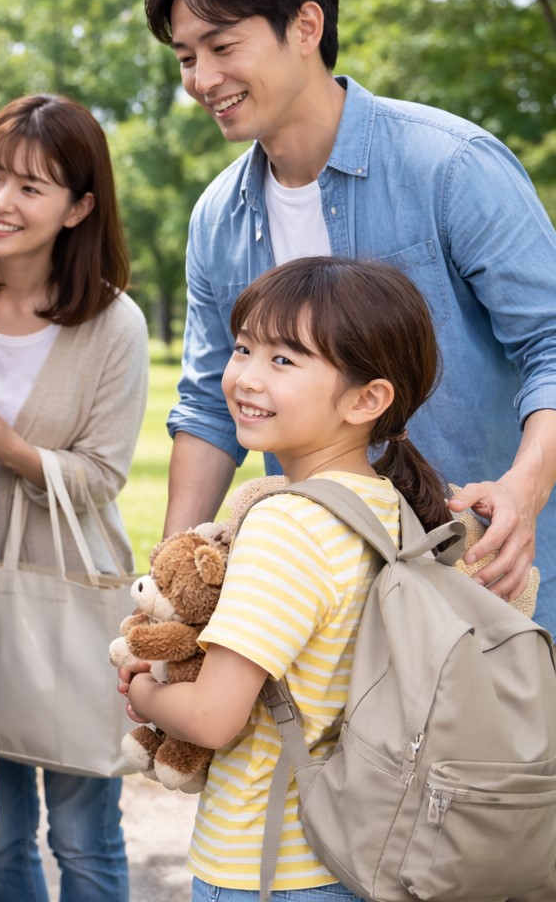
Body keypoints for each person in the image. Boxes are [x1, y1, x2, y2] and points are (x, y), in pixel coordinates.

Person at [146, 0, 556, 902]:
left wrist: (523, 494)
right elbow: (205, 402)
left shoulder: (451, 165)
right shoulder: (216, 218)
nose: (199, 78)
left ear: (305, 25)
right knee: (375, 846)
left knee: (516, 853)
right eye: (186, 55)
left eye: (221, 46)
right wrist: (176, 577)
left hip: (501, 584)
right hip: (343, 601)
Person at [122, 256, 449, 901]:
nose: (244, 376)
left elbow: (214, 717)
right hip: (357, 854)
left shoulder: (288, 526)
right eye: (244, 347)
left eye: (284, 360)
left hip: (264, 868)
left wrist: (144, 692)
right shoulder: (390, 508)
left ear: (368, 399)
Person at [0, 93, 148, 902]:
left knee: (85, 837)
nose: (0, 201)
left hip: (64, 602)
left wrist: (12, 452)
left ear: (80, 207)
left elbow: (104, 477)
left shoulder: (114, 324)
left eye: (31, 186)